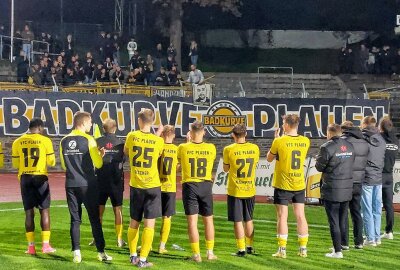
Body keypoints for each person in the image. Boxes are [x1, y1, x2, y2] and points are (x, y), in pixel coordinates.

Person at [60, 112, 112, 263]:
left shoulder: (63, 140)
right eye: (90, 123)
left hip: (70, 184)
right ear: (83, 123)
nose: (91, 125)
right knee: (94, 219)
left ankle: (76, 252)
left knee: (75, 219)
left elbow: (64, 165)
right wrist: (100, 155)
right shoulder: (89, 139)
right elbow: (98, 164)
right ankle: (101, 253)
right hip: (87, 184)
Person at [124, 109, 164, 268]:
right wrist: (158, 134)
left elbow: (126, 152)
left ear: (139, 121)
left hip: (136, 185)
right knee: (149, 224)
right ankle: (143, 260)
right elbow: (158, 155)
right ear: (152, 122)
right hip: (153, 186)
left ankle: (133, 255)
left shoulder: (131, 136)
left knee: (134, 221)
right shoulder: (158, 141)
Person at [266, 114, 310, 258]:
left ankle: (282, 250)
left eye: (283, 123)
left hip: (283, 184)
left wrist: (275, 139)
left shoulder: (279, 141)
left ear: (286, 125)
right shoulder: (305, 140)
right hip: (298, 183)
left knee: (282, 216)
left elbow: (269, 158)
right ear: (297, 124)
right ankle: (303, 249)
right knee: (300, 216)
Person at [11, 118, 56, 255]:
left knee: (29, 213)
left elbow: (15, 165)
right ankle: (46, 246)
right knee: (44, 211)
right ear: (41, 128)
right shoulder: (45, 140)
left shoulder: (17, 141)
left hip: (25, 178)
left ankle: (31, 247)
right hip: (40, 177)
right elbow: (52, 162)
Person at [177, 121, 217, 262]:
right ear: (204, 131)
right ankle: (210, 253)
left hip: (190, 186)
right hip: (206, 185)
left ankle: (196, 255)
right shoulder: (211, 147)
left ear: (190, 132)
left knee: (192, 223)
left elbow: (178, 167)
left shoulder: (183, 147)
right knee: (208, 220)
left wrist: (188, 142)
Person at [316, 124, 355, 259]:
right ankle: (343, 245)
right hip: (347, 188)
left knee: (333, 221)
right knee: (343, 218)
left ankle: (337, 251)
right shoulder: (349, 146)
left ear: (330, 133)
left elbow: (319, 167)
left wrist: (318, 159)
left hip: (332, 189)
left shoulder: (326, 147)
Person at [223, 124, 260, 256]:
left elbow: (226, 169)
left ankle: (241, 249)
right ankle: (250, 246)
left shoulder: (228, 149)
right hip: (249, 189)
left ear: (233, 135)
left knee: (238, 220)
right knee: (249, 219)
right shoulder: (254, 148)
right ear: (245, 134)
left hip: (235, 190)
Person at [91, 119, 126, 248]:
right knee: (118, 210)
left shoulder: (97, 141)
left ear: (103, 129)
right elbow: (124, 160)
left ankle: (96, 238)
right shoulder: (121, 143)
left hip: (100, 181)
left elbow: (93, 158)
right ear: (115, 128)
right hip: (116, 181)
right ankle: (119, 239)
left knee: (99, 211)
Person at [341, 121, 369, 249]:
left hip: (346, 181)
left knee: (343, 212)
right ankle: (359, 241)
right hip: (359, 181)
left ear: (344, 130)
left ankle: (344, 243)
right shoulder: (364, 142)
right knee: (356, 211)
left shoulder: (344, 141)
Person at [361, 116, 386, 246]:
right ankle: (377, 237)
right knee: (377, 209)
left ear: (365, 124)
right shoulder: (381, 139)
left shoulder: (363, 139)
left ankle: (370, 238)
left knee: (367, 209)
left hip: (367, 178)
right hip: (378, 178)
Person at [158, 125, 179, 254]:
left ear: (162, 134)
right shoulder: (177, 150)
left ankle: (147, 246)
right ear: (174, 135)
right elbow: (177, 168)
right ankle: (161, 246)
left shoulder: (158, 147)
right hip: (170, 187)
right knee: (167, 217)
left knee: (151, 217)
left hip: (156, 185)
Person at [379, 117, 399, 240]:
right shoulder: (396, 140)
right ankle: (389, 231)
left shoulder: (379, 139)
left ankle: (372, 233)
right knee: (388, 205)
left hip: (378, 174)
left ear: (380, 127)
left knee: (374, 204)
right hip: (389, 175)